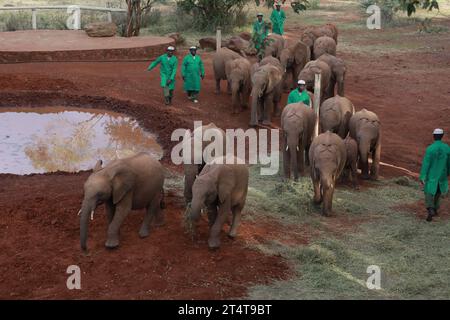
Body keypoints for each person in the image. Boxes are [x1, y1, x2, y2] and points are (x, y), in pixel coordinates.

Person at [419, 128, 450, 222]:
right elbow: (449, 163)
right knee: (438, 191)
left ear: (434, 136)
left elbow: (426, 164)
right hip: (442, 174)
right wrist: (448, 172)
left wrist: (423, 176)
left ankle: (430, 208)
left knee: (428, 191)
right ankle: (435, 209)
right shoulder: (447, 148)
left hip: (431, 175)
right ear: (442, 136)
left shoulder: (430, 149)